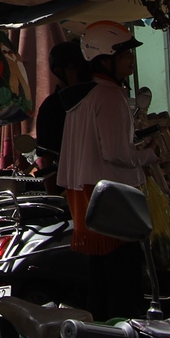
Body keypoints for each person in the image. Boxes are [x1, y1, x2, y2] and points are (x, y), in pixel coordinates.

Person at [57, 22, 152, 319]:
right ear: (105, 59)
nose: (130, 60)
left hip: (87, 196)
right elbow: (116, 153)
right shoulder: (109, 96)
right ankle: (122, 337)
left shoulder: (82, 96)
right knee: (123, 284)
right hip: (113, 199)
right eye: (124, 55)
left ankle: (100, 336)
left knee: (101, 281)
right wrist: (148, 155)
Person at [31, 39, 92, 185]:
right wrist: (54, 195)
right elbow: (47, 158)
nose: (81, 73)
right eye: (74, 68)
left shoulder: (95, 98)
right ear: (58, 71)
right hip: (68, 185)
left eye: (84, 67)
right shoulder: (51, 107)